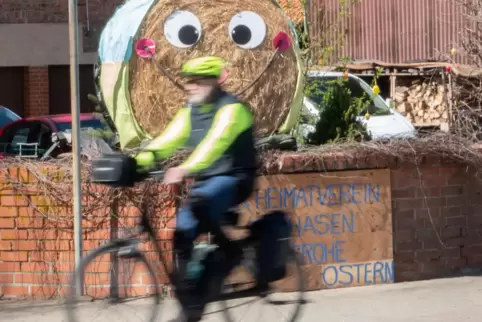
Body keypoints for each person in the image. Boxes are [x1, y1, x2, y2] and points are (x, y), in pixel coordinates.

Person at [134, 56, 258, 321]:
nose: (190, 86)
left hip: (235, 177)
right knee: (182, 231)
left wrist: (185, 168)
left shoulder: (232, 109)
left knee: (201, 205)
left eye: (197, 81)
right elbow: (170, 137)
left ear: (213, 82)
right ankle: (193, 300)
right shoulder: (191, 110)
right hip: (208, 180)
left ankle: (230, 255)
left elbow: (215, 142)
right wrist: (144, 159)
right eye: (188, 81)